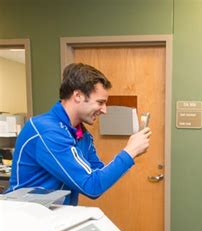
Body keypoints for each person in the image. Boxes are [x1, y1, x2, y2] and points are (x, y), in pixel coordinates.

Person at [5, 63, 151, 205]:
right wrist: (130, 151)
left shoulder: (82, 134)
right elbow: (92, 186)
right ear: (78, 96)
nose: (105, 110)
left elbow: (99, 175)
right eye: (100, 102)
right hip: (27, 219)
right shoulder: (47, 131)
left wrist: (130, 153)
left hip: (56, 216)